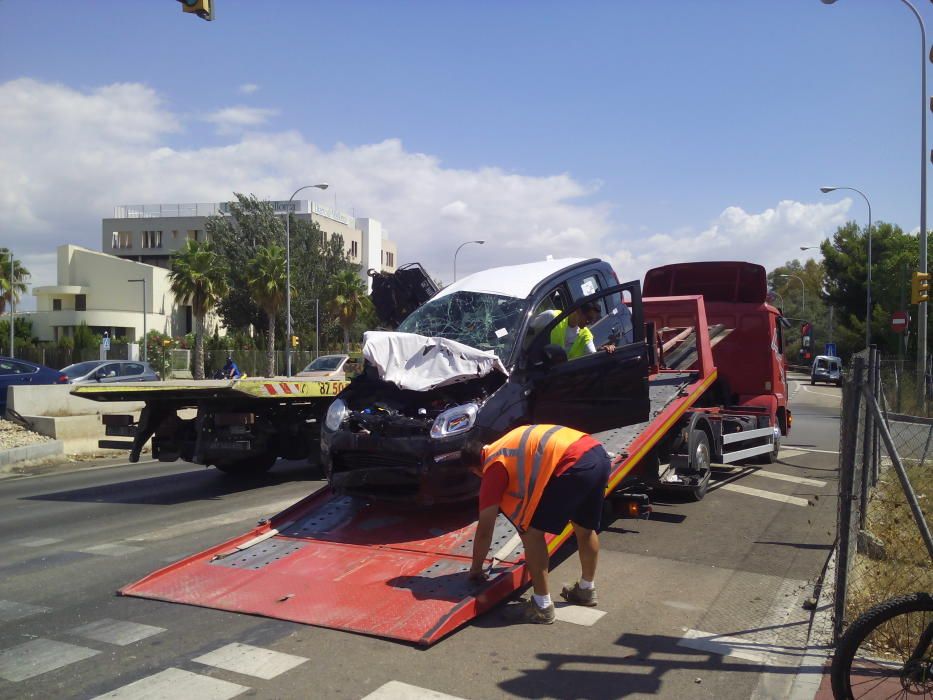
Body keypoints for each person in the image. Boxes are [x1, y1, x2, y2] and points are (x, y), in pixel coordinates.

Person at [462, 424, 611, 624]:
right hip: (597, 454)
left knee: (531, 533)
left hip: (573, 464)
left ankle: (542, 606)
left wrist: (476, 569)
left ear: (473, 469)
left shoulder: (493, 465)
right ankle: (586, 590)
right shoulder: (506, 442)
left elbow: (484, 530)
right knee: (584, 528)